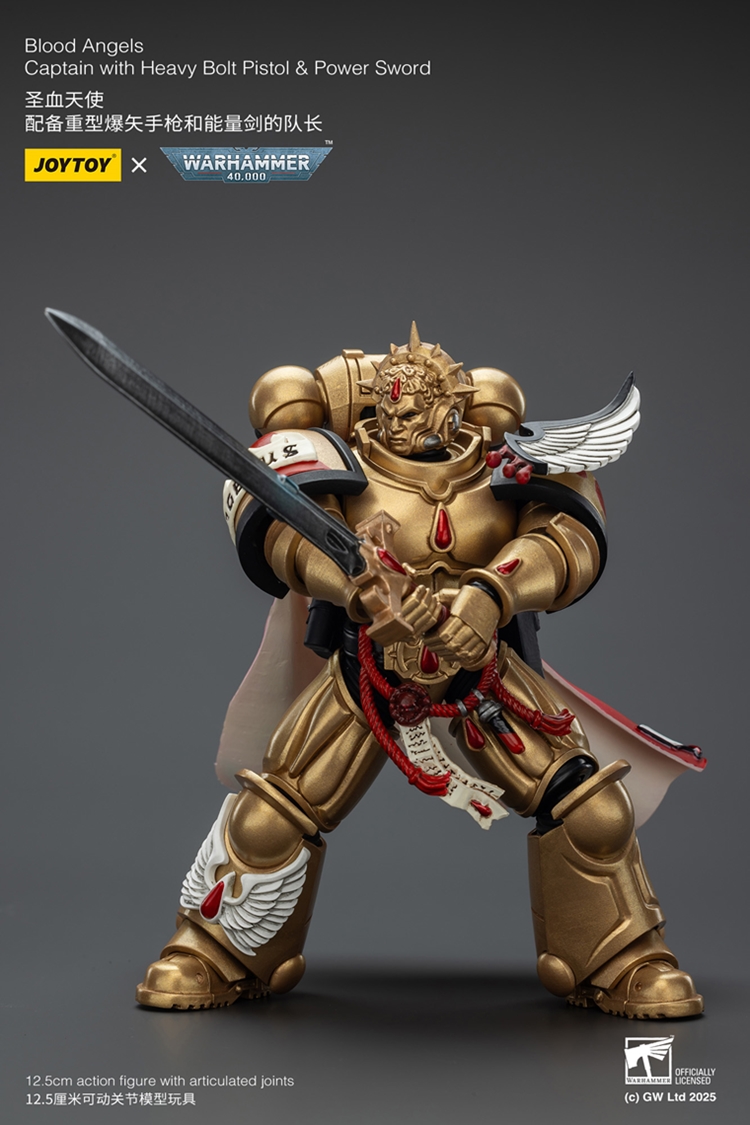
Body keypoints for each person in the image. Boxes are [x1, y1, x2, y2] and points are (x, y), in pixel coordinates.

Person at [136, 324, 702, 1019]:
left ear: (453, 403)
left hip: (480, 676)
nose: (403, 419)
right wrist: (352, 584)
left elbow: (571, 540)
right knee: (272, 815)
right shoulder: (341, 466)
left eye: (418, 404)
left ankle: (620, 958)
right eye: (392, 406)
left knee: (593, 811)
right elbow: (286, 536)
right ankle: (218, 950)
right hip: (369, 673)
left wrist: (493, 592)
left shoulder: (506, 465)